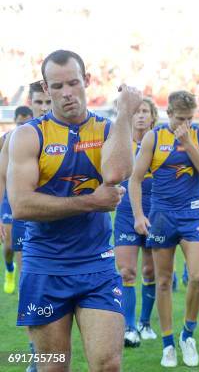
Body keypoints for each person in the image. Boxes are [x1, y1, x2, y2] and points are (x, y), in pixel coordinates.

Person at [8, 49, 142, 371]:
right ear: (45, 87)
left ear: (87, 81)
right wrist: (89, 202)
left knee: (108, 365)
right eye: (57, 87)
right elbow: (22, 205)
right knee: (54, 366)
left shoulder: (107, 129)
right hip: (45, 266)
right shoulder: (29, 136)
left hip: (96, 264)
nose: (67, 93)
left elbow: (116, 174)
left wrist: (123, 115)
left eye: (73, 83)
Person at [129, 90, 199, 367]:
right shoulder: (153, 138)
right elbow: (134, 180)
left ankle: (187, 335)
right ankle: (168, 344)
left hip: (191, 216)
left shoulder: (198, 135)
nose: (185, 124)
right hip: (162, 217)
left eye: (189, 119)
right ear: (168, 114)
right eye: (180, 119)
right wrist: (139, 215)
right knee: (164, 281)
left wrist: (188, 143)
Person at [0, 82, 51, 372]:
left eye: (48, 101)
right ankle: (35, 353)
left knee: (46, 288)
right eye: (39, 102)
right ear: (30, 102)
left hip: (56, 224)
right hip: (21, 215)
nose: (44, 107)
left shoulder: (65, 133)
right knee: (28, 283)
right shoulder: (17, 138)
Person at [114, 98, 159, 347]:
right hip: (125, 212)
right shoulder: (120, 142)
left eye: (145, 112)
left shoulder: (159, 143)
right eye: (136, 112)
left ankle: (145, 323)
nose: (141, 116)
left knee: (150, 270)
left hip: (154, 210)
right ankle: (129, 327)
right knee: (127, 271)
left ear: (152, 117)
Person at [1, 105, 33, 294]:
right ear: (15, 121)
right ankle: (9, 269)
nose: (22, 125)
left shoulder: (36, 136)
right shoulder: (6, 140)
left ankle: (26, 286)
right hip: (8, 198)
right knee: (8, 246)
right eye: (20, 122)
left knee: (24, 247)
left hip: (27, 197)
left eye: (26, 122)